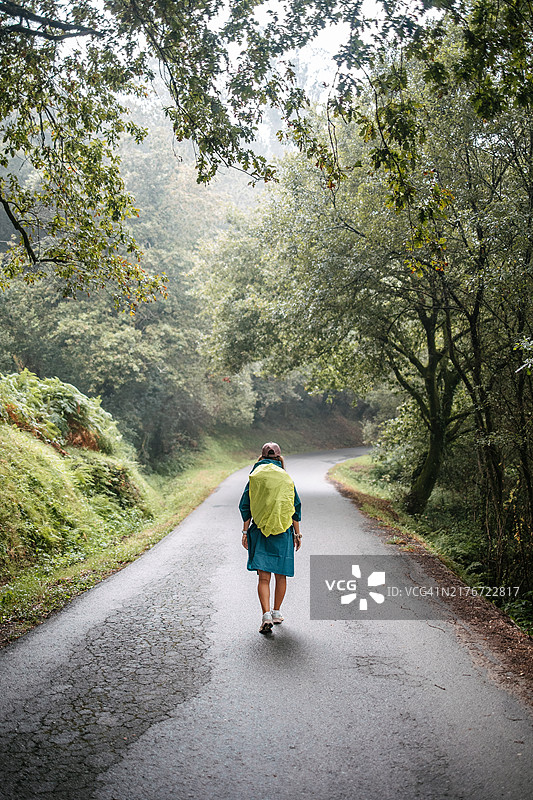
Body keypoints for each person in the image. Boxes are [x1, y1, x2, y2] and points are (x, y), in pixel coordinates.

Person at [239, 442, 302, 633]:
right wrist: (297, 533)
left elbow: (245, 506)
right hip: (283, 531)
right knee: (281, 575)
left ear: (261, 457)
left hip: (260, 531)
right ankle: (276, 612)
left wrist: (245, 532)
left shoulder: (255, 477)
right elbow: (294, 507)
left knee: (264, 578)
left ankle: (265, 615)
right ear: (279, 458)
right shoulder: (286, 478)